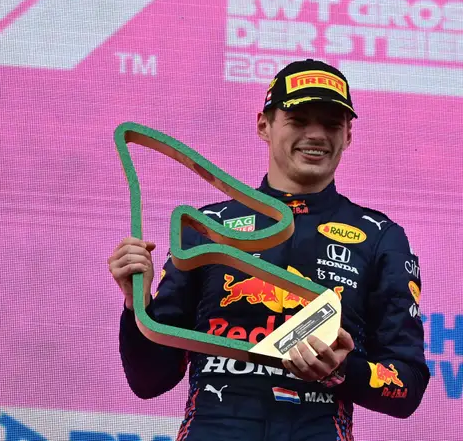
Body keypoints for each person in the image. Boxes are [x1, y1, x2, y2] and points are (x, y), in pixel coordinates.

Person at [108, 59, 429, 440]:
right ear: (264, 125)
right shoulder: (206, 226)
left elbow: (407, 385)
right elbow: (149, 380)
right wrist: (137, 303)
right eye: (298, 120)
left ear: (348, 135)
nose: (316, 135)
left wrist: (343, 370)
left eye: (331, 124)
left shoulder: (379, 237)